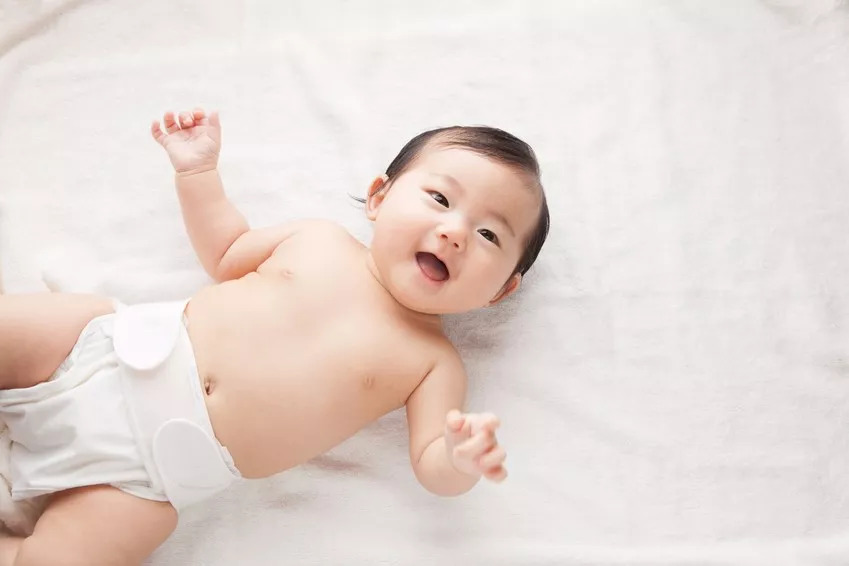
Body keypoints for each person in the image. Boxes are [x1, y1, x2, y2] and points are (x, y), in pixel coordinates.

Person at [0, 107, 550, 565]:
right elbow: (226, 251)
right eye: (440, 199)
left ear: (501, 290)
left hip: (145, 479)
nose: (454, 233)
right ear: (379, 198)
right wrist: (198, 173)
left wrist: (458, 458)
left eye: (488, 234)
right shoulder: (318, 240)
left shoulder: (433, 363)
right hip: (103, 351)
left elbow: (432, 464)